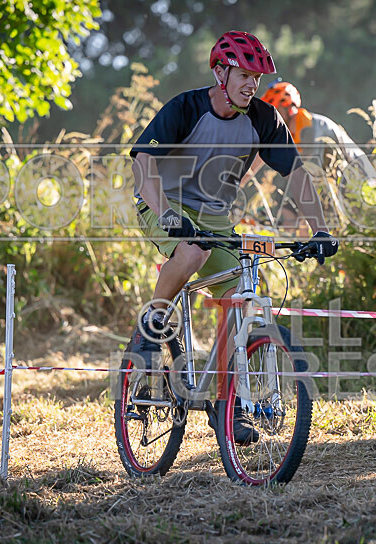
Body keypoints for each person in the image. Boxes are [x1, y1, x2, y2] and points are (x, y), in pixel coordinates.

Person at [129, 31, 338, 443]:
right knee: (190, 255)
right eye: (243, 75)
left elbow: (295, 175)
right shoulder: (186, 108)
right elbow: (143, 161)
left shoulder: (263, 118)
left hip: (216, 217)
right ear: (220, 72)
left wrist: (321, 229)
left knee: (242, 297)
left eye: (256, 78)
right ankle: (154, 322)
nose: (250, 85)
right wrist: (166, 213)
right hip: (164, 203)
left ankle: (229, 404)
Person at [254, 79, 376, 231]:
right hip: (340, 185)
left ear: (289, 108)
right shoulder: (289, 133)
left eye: (275, 111)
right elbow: (258, 161)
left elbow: (311, 179)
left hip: (361, 183)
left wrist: (289, 210)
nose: (272, 119)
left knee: (308, 219)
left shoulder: (311, 129)